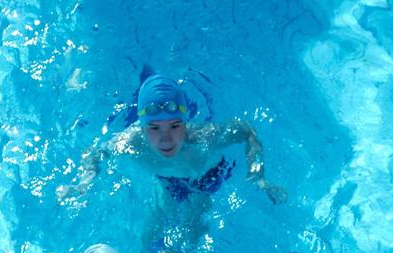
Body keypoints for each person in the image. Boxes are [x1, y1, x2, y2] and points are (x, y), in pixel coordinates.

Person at [58, 73, 286, 206]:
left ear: (185, 124)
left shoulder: (205, 137)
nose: (165, 138)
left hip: (208, 176)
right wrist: (84, 181)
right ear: (142, 127)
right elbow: (93, 152)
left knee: (195, 223)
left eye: (175, 126)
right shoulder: (130, 142)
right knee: (153, 230)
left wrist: (257, 176)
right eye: (154, 128)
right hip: (168, 179)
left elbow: (246, 130)